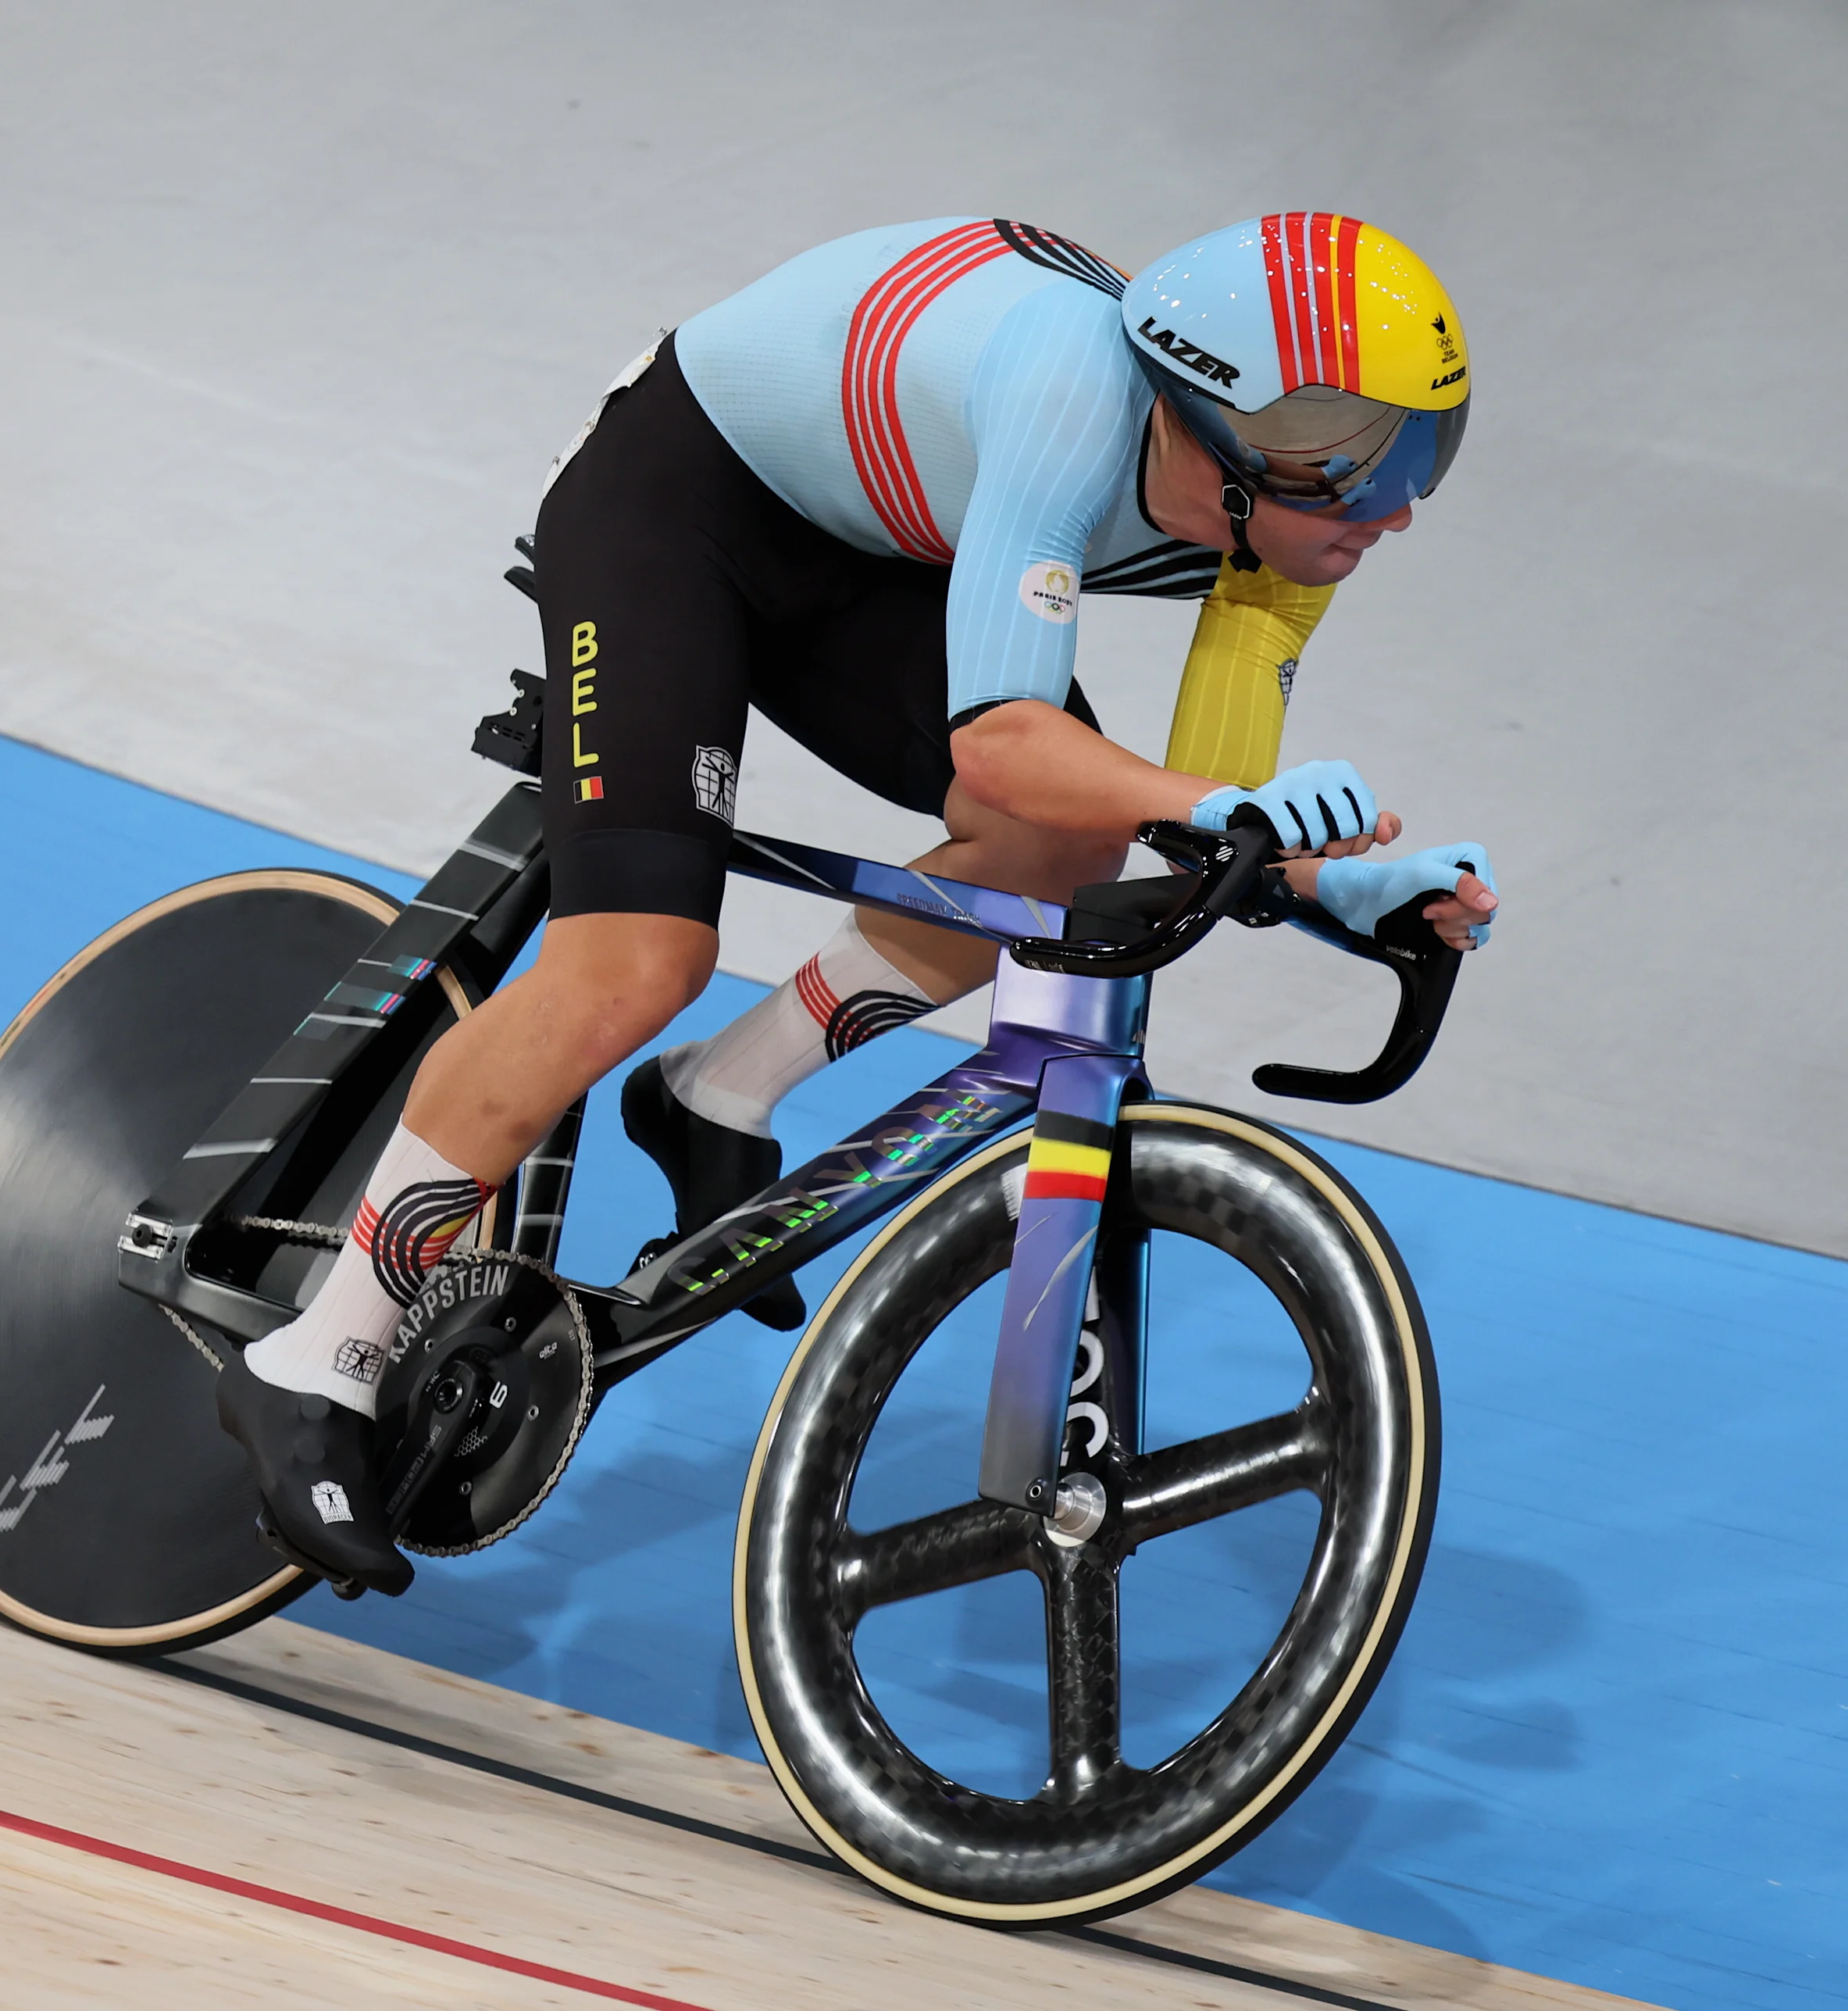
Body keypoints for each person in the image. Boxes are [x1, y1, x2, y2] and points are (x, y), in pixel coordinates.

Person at [218, 213, 1502, 1594]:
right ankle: (316, 1355)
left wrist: (1334, 886)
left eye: (1425, 448)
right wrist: (1231, 821)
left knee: (1046, 859)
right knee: (633, 964)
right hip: (683, 497)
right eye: (1362, 462)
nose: (1400, 506)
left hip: (874, 551)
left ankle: (712, 1093)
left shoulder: (1290, 542)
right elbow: (1002, 741)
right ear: (1218, 423)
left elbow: (1207, 812)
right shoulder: (1070, 393)